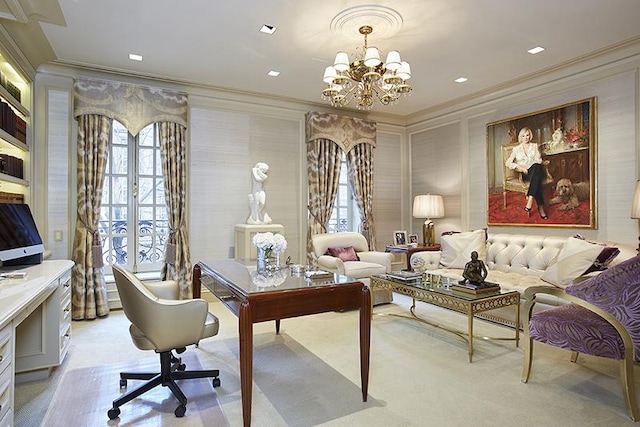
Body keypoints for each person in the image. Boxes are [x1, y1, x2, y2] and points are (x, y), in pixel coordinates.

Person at [505, 126, 548, 219]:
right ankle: (541, 207)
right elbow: (508, 163)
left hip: (535, 170)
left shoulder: (534, 146)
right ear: (521, 137)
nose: (526, 137)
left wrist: (530, 165)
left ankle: (531, 198)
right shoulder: (516, 149)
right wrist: (519, 167)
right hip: (525, 174)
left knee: (536, 168)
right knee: (537, 179)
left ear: (530, 136)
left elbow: (539, 160)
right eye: (523, 136)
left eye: (527, 135)